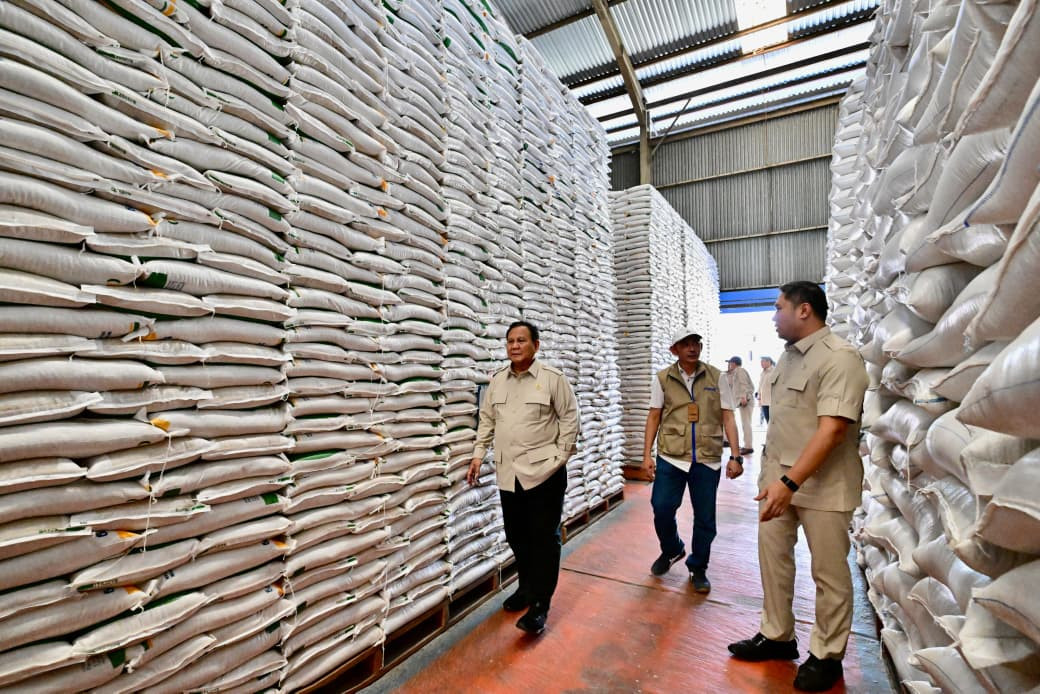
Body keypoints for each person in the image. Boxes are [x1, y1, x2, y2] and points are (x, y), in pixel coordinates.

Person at [727, 282, 868, 692]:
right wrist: (774, 479)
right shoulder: (788, 359)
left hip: (821, 486)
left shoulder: (840, 358)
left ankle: (827, 655)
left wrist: (790, 482)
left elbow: (832, 431)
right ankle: (777, 635)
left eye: (778, 308)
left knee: (829, 573)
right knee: (773, 561)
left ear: (804, 310)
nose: (773, 316)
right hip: (777, 481)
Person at [468, 320, 579, 635]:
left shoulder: (552, 380)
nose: (514, 346)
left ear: (536, 345)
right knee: (516, 535)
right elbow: (487, 420)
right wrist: (478, 455)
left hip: (545, 474)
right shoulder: (498, 383)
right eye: (510, 341)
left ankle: (541, 605)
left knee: (544, 539)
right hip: (509, 473)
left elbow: (571, 418)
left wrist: (559, 458)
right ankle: (527, 588)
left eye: (521, 340)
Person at [643, 328, 743, 593]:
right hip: (671, 456)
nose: (692, 348)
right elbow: (654, 416)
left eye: (696, 343)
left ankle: (698, 566)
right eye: (685, 344)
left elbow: (728, 416)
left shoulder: (716, 376)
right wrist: (646, 456)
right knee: (661, 506)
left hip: (706, 458)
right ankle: (672, 548)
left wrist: (736, 455)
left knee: (705, 518)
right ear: (674, 350)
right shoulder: (663, 378)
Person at [724, 356, 755, 455]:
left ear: (734, 363)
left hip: (745, 400)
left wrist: (743, 397)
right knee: (744, 423)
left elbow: (743, 384)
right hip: (741, 401)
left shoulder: (740, 370)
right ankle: (745, 445)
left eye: (730, 363)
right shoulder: (734, 372)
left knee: (746, 424)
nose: (729, 365)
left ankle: (748, 447)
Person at [758, 356, 775, 425]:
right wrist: (759, 397)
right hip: (764, 402)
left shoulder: (774, 371)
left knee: (773, 423)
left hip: (772, 402)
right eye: (761, 362)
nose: (761, 363)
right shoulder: (763, 373)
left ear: (768, 362)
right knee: (768, 422)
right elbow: (760, 386)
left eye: (762, 361)